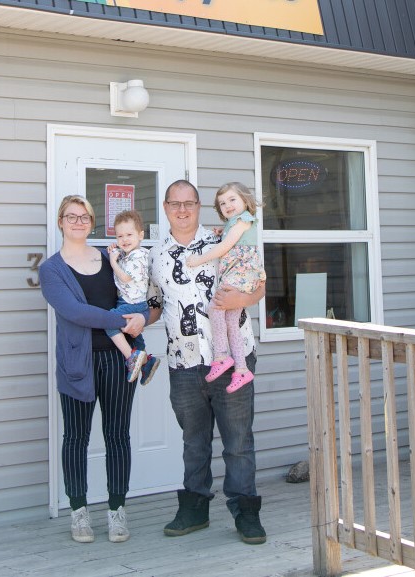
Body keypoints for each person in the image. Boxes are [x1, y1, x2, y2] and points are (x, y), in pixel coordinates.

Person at [146, 179, 267, 545]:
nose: (182, 210)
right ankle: (194, 509)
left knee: (238, 441)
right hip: (183, 362)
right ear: (166, 208)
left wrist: (242, 300)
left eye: (190, 203)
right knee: (193, 441)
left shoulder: (223, 237)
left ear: (199, 206)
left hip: (232, 360)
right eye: (175, 203)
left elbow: (258, 283)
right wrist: (135, 319)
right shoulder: (155, 255)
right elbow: (154, 303)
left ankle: (246, 512)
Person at [39, 195, 147, 544]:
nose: (78, 222)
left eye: (84, 216)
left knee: (118, 435)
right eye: (71, 216)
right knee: (76, 437)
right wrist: (121, 321)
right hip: (77, 364)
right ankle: (79, 512)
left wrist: (143, 316)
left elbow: (141, 291)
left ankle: (117, 510)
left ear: (92, 221)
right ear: (60, 222)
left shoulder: (109, 257)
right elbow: (75, 312)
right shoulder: (51, 270)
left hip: (119, 359)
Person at [186, 182, 266, 393]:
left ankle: (221, 355)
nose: (227, 205)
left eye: (232, 199)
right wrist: (224, 230)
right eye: (222, 203)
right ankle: (241, 369)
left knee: (215, 308)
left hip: (240, 273)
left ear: (245, 200)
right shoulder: (235, 223)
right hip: (241, 275)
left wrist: (198, 259)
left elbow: (225, 247)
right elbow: (234, 238)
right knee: (231, 321)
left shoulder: (243, 220)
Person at [106, 210, 160, 385]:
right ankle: (147, 363)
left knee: (109, 321)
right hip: (131, 301)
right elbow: (122, 256)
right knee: (136, 337)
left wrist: (112, 261)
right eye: (120, 236)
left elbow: (125, 278)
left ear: (141, 235)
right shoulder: (128, 254)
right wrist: (115, 251)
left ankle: (131, 357)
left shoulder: (139, 256)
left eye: (129, 235)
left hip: (134, 303)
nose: (124, 239)